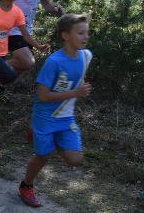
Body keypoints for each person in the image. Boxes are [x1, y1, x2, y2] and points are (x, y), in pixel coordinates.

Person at [18, 13, 92, 208]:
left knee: (76, 159)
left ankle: (46, 140)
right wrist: (75, 92)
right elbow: (42, 95)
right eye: (80, 33)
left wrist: (79, 87)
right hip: (45, 117)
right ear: (65, 35)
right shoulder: (54, 62)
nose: (86, 37)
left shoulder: (86, 56)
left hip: (66, 117)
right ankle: (26, 185)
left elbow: (76, 77)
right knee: (43, 156)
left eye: (87, 33)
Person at [0, 0, 65, 102]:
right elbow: (2, 2)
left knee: (24, 66)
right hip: (12, 29)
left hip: (26, 30)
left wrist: (55, 9)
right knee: (28, 62)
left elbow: (46, 4)